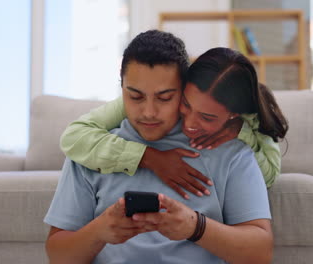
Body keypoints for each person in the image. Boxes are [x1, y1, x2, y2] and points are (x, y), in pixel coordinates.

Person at [44, 30, 276, 263]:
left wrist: (196, 228)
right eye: (135, 96)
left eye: (165, 98)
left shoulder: (231, 152)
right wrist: (99, 231)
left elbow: (260, 254)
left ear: (186, 89)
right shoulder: (91, 152)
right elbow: (58, 257)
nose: (149, 112)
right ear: (121, 87)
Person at [60, 44, 285, 200]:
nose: (189, 125)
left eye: (207, 117)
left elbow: (269, 177)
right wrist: (149, 157)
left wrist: (240, 133)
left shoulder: (249, 116)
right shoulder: (152, 98)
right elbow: (73, 136)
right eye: (185, 105)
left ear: (233, 115)